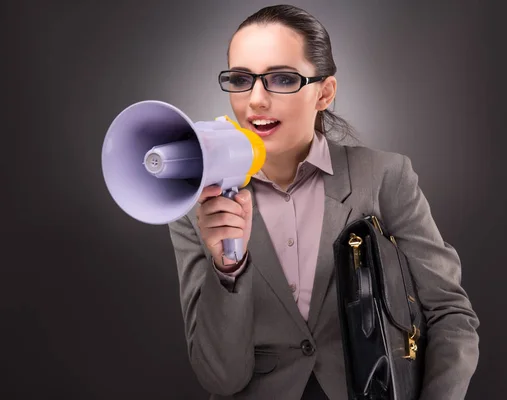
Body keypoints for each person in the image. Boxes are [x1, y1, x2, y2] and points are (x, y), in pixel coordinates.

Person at [167, 4, 480, 400]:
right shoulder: (197, 206)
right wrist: (228, 268)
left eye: (281, 78)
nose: (256, 100)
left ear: (324, 93)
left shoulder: (385, 177)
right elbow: (220, 378)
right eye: (241, 79)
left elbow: (451, 316)